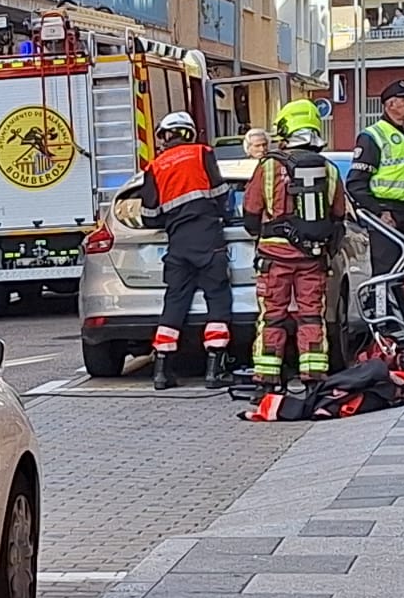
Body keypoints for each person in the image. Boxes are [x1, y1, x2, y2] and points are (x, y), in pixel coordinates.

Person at [243, 99, 347, 388]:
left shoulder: (268, 168)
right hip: (313, 258)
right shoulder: (329, 169)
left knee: (272, 317)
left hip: (274, 259)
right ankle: (313, 377)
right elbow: (339, 214)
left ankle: (267, 380)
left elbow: (251, 215)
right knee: (312, 316)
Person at [140, 111, 233, 391]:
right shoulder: (203, 153)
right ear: (189, 133)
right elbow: (220, 195)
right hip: (208, 239)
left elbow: (149, 215)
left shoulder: (154, 168)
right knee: (217, 297)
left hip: (178, 244)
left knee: (175, 302)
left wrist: (171, 216)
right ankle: (214, 370)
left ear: (166, 135)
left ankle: (161, 371)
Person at [346, 77, 404, 277]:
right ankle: (382, 306)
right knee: (387, 271)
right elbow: (355, 183)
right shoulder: (373, 136)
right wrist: (379, 212)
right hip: (386, 215)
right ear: (390, 105)